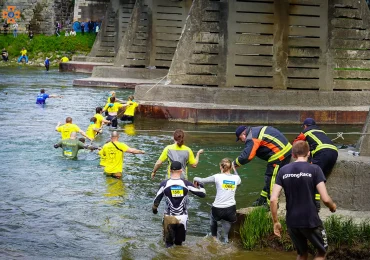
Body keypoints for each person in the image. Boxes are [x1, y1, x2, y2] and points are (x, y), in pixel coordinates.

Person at [270, 141, 336, 260]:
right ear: (309, 153)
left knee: (301, 254)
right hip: (311, 220)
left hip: (292, 221)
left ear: (293, 155)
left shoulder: (283, 170)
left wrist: (275, 221)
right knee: (322, 252)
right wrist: (332, 206)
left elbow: (273, 199)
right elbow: (325, 199)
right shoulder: (315, 169)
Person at [233, 125, 292, 206]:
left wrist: (234, 164)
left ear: (243, 133)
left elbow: (247, 156)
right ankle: (262, 199)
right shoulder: (254, 131)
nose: (242, 141)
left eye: (240, 138)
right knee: (269, 179)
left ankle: (271, 205)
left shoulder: (251, 138)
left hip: (279, 155)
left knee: (271, 178)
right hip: (285, 151)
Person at [152, 161, 206, 248]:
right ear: (181, 171)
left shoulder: (164, 184)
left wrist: (154, 210)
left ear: (170, 170)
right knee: (179, 244)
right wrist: (201, 186)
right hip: (182, 218)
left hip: (169, 217)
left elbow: (156, 201)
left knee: (168, 245)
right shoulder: (186, 183)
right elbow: (202, 194)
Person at [293, 118, 338, 211]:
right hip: (334, 152)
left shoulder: (306, 131)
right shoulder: (321, 131)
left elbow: (296, 144)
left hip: (322, 152)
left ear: (305, 126)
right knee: (321, 177)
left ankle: (314, 203)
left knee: (312, 176)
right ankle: (316, 201)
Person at [193, 158, 241, 243]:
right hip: (230, 209)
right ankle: (225, 241)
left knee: (213, 220)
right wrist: (234, 170)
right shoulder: (236, 178)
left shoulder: (217, 176)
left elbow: (201, 180)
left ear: (220, 167)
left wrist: (195, 178)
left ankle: (214, 238)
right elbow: (239, 182)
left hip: (218, 208)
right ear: (230, 168)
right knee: (226, 234)